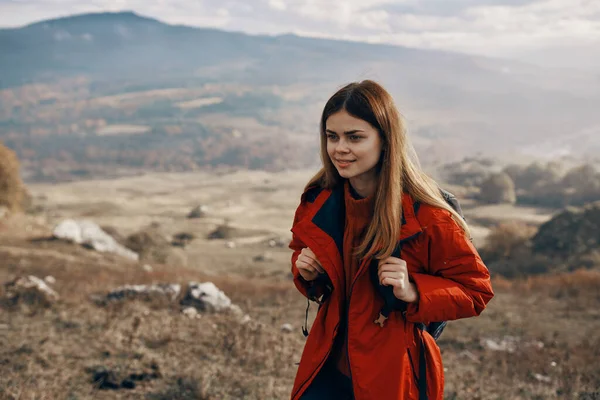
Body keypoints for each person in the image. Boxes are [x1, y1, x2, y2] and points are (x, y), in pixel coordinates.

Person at [288, 80, 494, 400]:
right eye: (333, 137)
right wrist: (306, 272)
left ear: (385, 140)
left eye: (355, 137)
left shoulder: (427, 214)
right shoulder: (319, 201)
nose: (340, 148)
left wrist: (413, 290)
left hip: (392, 373)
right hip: (327, 365)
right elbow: (314, 272)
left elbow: (475, 290)